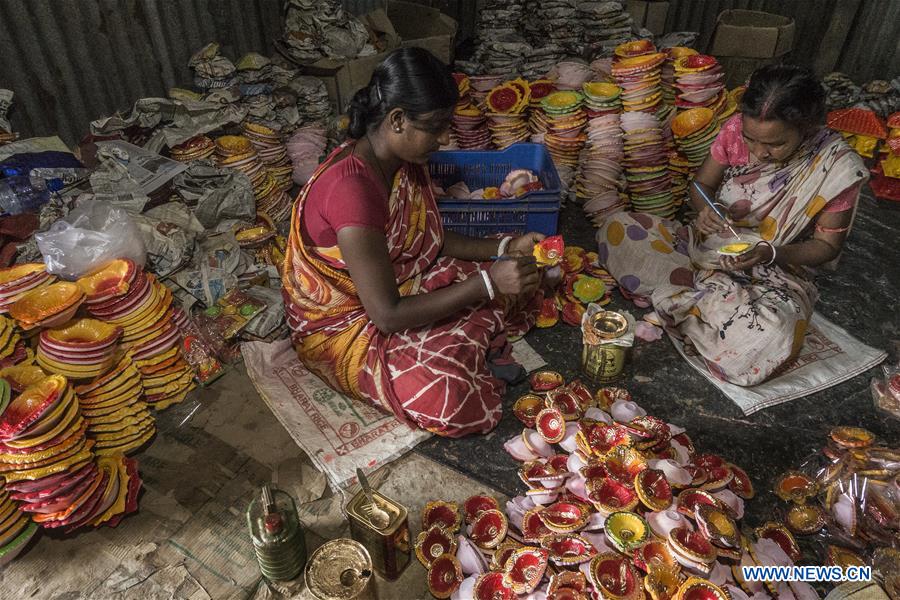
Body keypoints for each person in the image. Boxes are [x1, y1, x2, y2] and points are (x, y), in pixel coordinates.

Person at [282, 48, 547, 437]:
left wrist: (506, 248)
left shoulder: (401, 164)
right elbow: (387, 315)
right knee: (448, 396)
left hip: (395, 288)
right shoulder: (351, 190)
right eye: (436, 126)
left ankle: (477, 339)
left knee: (521, 271)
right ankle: (475, 344)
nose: (444, 138)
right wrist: (488, 282)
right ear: (397, 120)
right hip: (347, 328)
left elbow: (430, 241)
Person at [597, 65, 868, 386]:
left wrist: (769, 253)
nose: (758, 152)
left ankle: (688, 300)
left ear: (807, 127)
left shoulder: (835, 164)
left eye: (775, 144)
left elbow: (826, 248)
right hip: (704, 247)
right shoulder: (735, 130)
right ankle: (699, 302)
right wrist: (708, 210)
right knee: (617, 227)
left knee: (770, 338)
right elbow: (701, 186)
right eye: (750, 139)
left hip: (776, 275)